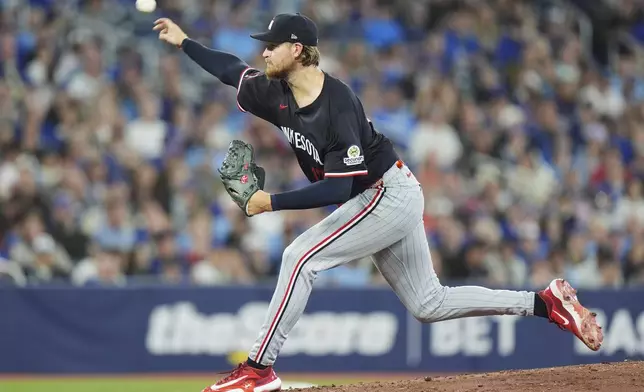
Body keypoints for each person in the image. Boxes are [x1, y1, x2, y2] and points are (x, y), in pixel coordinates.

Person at [153, 13, 603, 392]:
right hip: (385, 193)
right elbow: (230, 69)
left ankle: (258, 370)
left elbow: (338, 190)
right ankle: (545, 303)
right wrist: (185, 42)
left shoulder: (338, 104)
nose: (264, 52)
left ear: (299, 49)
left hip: (385, 192)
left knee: (299, 257)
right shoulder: (275, 93)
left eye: (272, 45)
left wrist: (269, 202)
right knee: (429, 304)